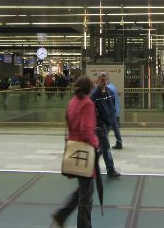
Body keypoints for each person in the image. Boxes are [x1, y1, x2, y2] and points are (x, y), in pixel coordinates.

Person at [52, 76, 99, 228]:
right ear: (89, 89)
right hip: (84, 152)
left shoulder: (73, 101)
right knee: (87, 196)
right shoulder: (87, 104)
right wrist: (95, 143)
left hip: (74, 149)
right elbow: (86, 130)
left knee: (82, 189)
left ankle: (62, 214)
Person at [90, 74, 121, 177]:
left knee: (99, 147)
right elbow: (92, 111)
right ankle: (110, 169)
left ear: (108, 81)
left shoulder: (110, 93)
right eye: (102, 80)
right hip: (100, 125)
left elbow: (112, 107)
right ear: (98, 81)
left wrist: (112, 120)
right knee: (106, 146)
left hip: (108, 123)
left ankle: (89, 167)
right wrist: (98, 123)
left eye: (105, 80)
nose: (104, 82)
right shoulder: (94, 95)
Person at [103, 73, 123, 150]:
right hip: (115, 111)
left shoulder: (108, 88)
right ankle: (119, 142)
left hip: (110, 112)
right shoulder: (113, 87)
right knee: (115, 128)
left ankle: (102, 143)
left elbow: (108, 101)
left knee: (106, 128)